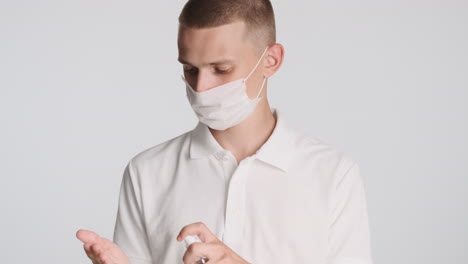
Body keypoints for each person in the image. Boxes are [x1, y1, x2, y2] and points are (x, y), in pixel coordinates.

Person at [76, 0, 374, 263]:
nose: (201, 88)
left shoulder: (333, 174)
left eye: (221, 69)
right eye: (190, 69)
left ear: (271, 61)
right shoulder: (147, 172)